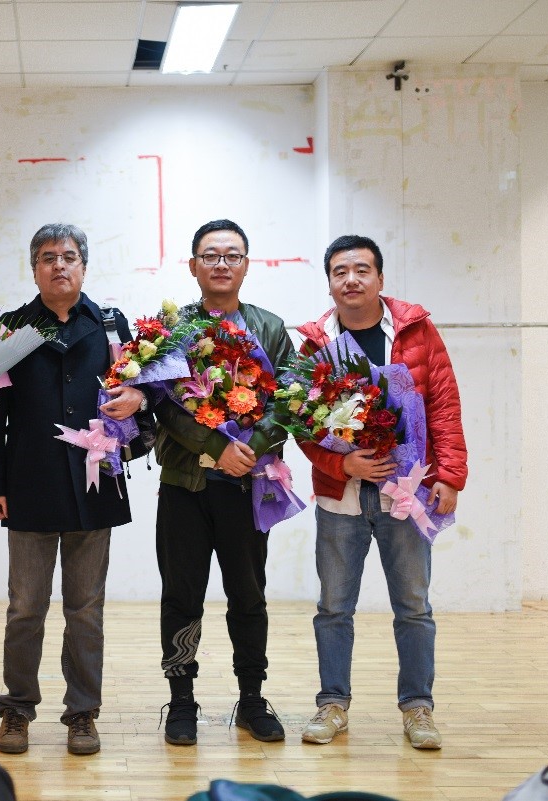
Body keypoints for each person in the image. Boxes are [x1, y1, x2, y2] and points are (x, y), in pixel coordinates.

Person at [0, 223, 146, 756]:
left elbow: (142, 391)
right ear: (34, 269)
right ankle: (17, 709)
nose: (59, 265)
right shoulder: (10, 328)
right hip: (28, 484)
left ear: (84, 266)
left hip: (95, 486)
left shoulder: (113, 325)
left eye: (69, 256)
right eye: (48, 257)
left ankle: (82, 713)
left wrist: (138, 398)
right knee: (25, 607)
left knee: (85, 610)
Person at [295, 234, 467, 750]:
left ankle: (418, 708)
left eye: (361, 270)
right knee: (333, 607)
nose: (351, 279)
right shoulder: (316, 343)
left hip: (408, 494)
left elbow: (443, 405)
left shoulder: (416, 332)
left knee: (413, 606)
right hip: (340, 494)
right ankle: (332, 705)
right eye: (340, 271)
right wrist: (341, 461)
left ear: (380, 278)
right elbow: (301, 423)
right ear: (329, 282)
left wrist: (450, 475)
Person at [153, 219, 294, 746]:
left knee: (249, 595)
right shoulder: (173, 330)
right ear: (193, 266)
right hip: (185, 486)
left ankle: (251, 698)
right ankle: (181, 699)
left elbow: (291, 401)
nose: (221, 264)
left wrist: (249, 449)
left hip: (247, 487)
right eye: (210, 255)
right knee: (181, 596)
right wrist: (217, 448)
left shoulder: (270, 328)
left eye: (232, 255)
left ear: (246, 266)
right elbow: (164, 404)